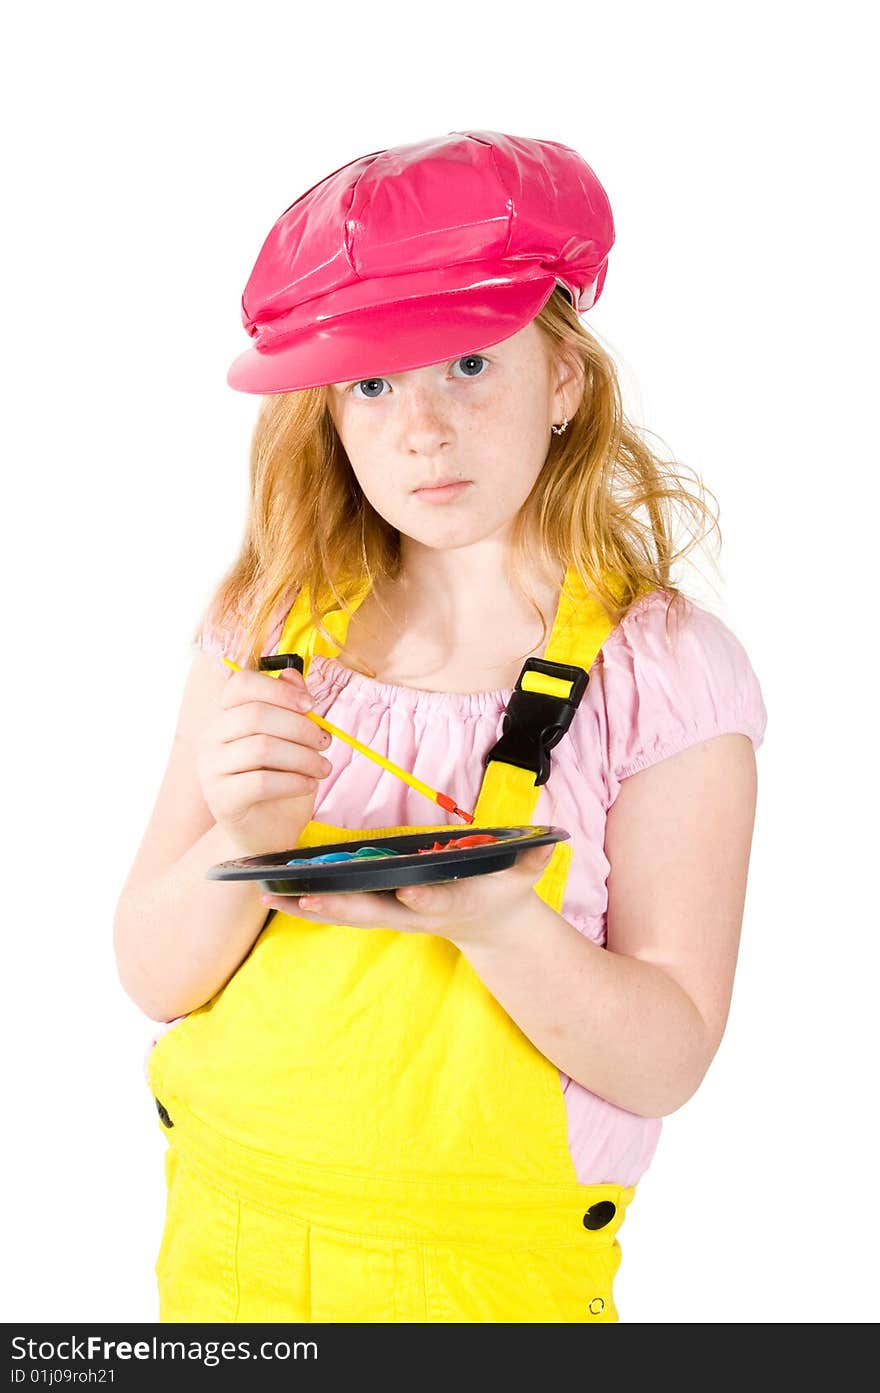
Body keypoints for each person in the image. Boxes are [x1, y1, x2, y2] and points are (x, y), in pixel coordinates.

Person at [113, 129, 768, 1324]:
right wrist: (239, 839)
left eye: (468, 362)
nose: (420, 427)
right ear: (328, 410)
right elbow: (154, 975)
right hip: (227, 1249)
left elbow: (666, 1058)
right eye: (371, 382)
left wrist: (500, 923)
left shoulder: (663, 673)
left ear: (563, 378)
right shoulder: (268, 627)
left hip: (487, 1285)